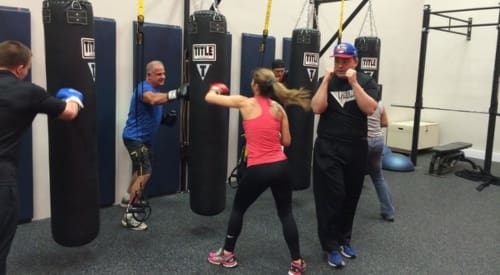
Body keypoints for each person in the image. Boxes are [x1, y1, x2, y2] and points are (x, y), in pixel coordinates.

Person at [205, 68, 310, 275]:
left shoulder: (245, 103)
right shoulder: (279, 108)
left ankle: (227, 255)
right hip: (281, 166)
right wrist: (269, 134)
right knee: (286, 214)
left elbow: (209, 98)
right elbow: (287, 141)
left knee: (238, 210)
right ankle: (297, 262)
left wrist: (216, 88)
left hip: (259, 168)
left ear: (255, 85)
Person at [0, 40, 83, 275]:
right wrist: (74, 97)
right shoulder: (28, 91)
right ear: (19, 69)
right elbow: (69, 112)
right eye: (27, 68)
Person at [311, 42, 379, 268]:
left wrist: (353, 82)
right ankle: (330, 245)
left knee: (351, 196)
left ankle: (343, 240)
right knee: (332, 195)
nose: (340, 64)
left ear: (355, 61)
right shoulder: (326, 82)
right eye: (337, 60)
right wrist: (326, 81)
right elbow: (317, 108)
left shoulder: (367, 81)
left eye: (345, 60)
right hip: (328, 147)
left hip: (356, 147)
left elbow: (369, 108)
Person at [121, 60, 186, 231]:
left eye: (164, 73)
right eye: (159, 74)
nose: (163, 76)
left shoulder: (155, 90)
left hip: (144, 140)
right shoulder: (144, 89)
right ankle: (130, 215)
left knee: (140, 169)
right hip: (135, 139)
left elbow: (151, 111)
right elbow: (152, 100)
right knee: (145, 171)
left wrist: (164, 120)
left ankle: (128, 197)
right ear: (149, 75)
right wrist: (177, 93)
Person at [367, 101, 395, 222]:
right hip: (377, 141)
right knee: (378, 177)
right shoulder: (380, 103)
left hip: (363, 141)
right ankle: (388, 212)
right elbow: (384, 123)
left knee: (350, 178)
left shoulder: (359, 102)